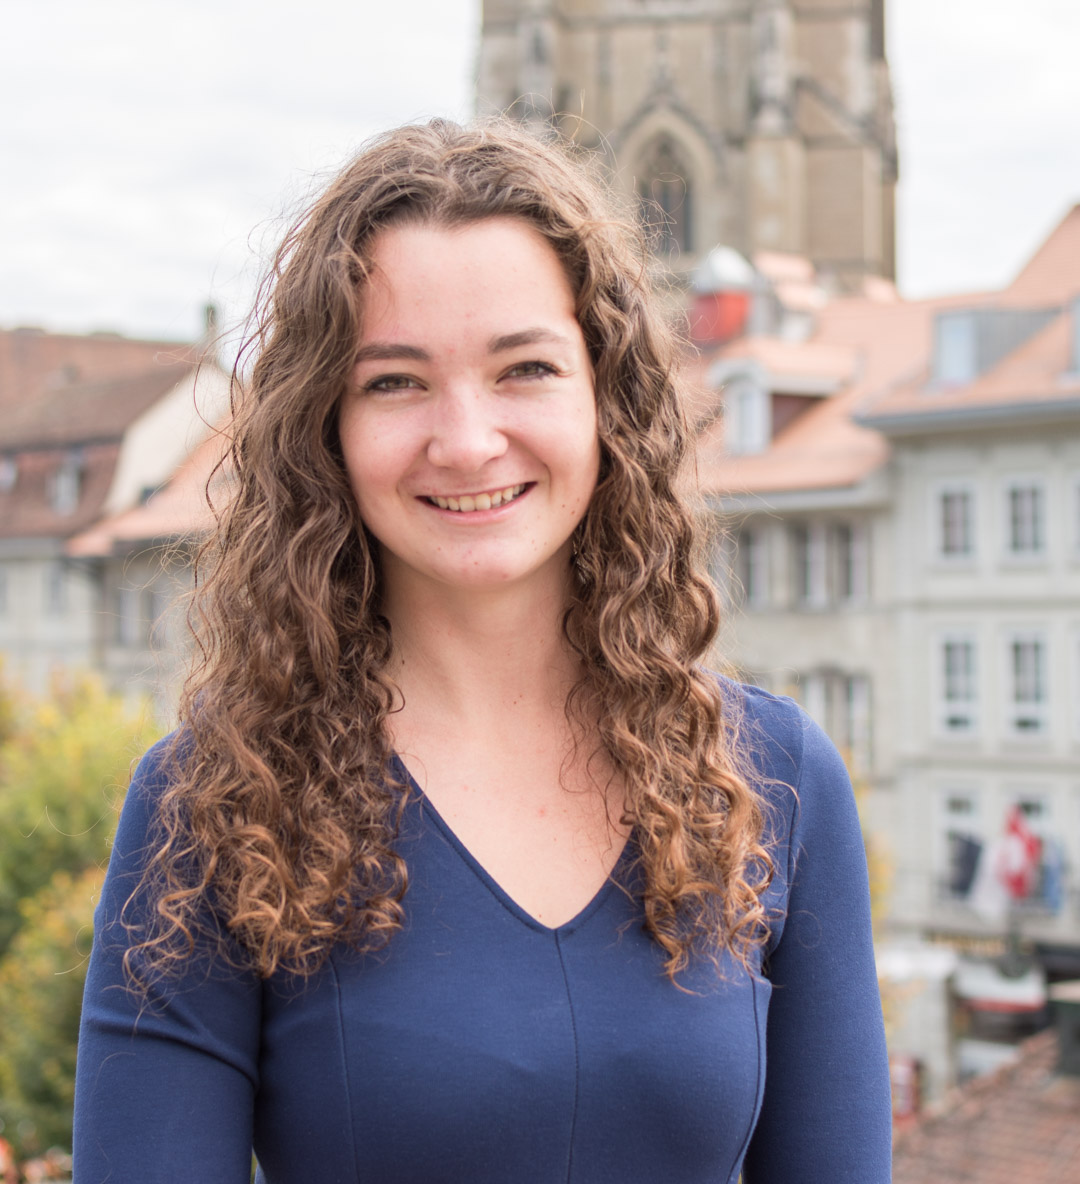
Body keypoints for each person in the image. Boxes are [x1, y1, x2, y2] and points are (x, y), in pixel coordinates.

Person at [73, 119, 892, 1183]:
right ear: (325, 427)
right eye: (394, 382)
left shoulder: (772, 779)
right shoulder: (218, 802)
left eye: (525, 368)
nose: (466, 441)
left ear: (607, 399)